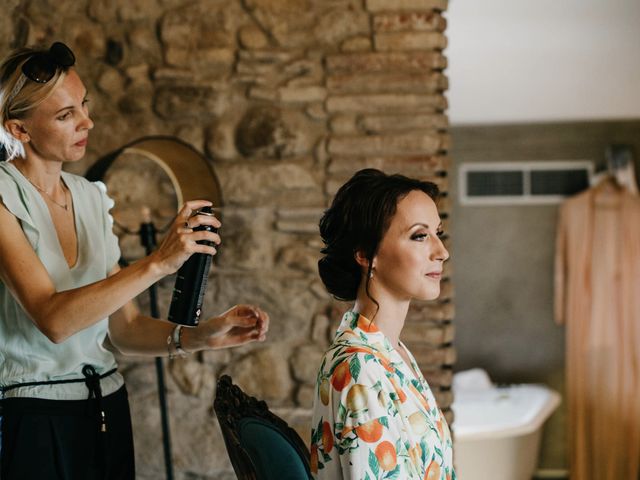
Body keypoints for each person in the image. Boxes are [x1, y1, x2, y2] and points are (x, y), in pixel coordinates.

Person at [0, 42, 269, 479]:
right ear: (21, 129)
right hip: (32, 417)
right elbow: (54, 319)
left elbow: (123, 330)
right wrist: (159, 263)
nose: (87, 121)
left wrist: (198, 336)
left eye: (83, 104)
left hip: (107, 407)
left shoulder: (90, 197)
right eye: (65, 115)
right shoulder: (3, 196)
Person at [310, 169, 456, 479]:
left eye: (437, 233)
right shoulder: (359, 368)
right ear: (365, 254)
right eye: (419, 235)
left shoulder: (390, 353)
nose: (441, 252)